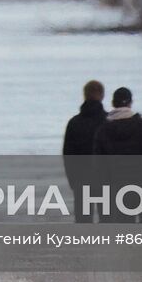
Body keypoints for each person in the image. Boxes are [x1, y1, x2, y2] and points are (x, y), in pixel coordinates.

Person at [92, 87, 142, 223]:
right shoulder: (141, 124)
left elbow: (99, 162)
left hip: (119, 183)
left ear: (113, 103)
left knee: (126, 227)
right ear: (130, 103)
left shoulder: (104, 129)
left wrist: (105, 182)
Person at [61, 80, 107, 223]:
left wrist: (72, 179)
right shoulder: (108, 121)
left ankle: (84, 245)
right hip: (106, 179)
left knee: (83, 223)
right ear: (102, 96)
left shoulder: (74, 123)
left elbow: (68, 155)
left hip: (81, 179)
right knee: (108, 221)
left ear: (84, 95)